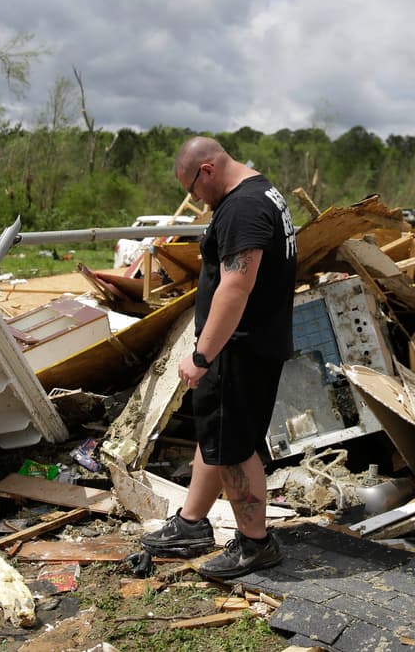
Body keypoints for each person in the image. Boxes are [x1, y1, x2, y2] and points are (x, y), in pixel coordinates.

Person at [139, 136, 297, 579]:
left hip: (237, 349)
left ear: (207, 170)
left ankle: (255, 544)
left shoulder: (243, 207)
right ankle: (191, 524)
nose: (194, 199)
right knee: (218, 437)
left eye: (192, 188)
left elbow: (235, 287)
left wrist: (203, 354)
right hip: (246, 345)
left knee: (233, 449)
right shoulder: (261, 192)